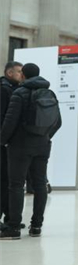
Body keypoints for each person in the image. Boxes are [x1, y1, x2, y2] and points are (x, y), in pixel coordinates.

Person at [0, 63, 61, 240]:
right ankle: (36, 226)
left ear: (23, 75)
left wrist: (3, 141)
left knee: (16, 185)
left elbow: (10, 122)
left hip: (20, 147)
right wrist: (45, 136)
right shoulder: (50, 93)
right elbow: (58, 122)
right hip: (42, 146)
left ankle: (13, 228)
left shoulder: (20, 93)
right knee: (40, 185)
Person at [0, 61, 23, 228]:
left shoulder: (13, 89)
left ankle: (9, 217)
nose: (21, 75)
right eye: (18, 72)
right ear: (9, 73)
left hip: (10, 143)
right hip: (3, 143)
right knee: (2, 181)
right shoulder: (3, 89)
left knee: (8, 181)